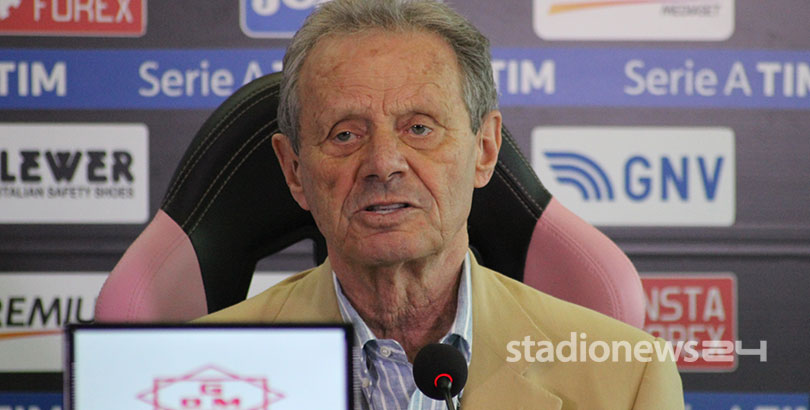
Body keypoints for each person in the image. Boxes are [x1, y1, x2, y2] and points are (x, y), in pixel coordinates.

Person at [197, 0, 684, 408]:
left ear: (485, 150)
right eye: (345, 134)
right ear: (293, 171)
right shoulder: (199, 369)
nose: (384, 163)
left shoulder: (628, 378)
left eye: (419, 128)